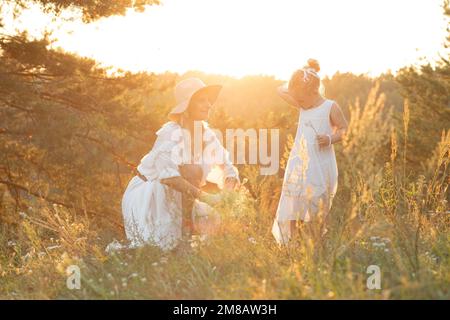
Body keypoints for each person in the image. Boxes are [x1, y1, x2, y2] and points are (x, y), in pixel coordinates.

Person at [121, 78, 239, 250]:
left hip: (181, 195)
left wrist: (227, 194)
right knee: (163, 247)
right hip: (151, 193)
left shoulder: (206, 134)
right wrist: (208, 198)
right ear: (187, 106)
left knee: (213, 223)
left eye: (208, 100)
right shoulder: (170, 133)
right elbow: (170, 178)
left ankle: (186, 234)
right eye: (201, 100)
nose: (208, 105)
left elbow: (228, 167)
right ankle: (181, 236)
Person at [272, 59, 348, 245]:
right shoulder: (302, 104)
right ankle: (291, 245)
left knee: (316, 203)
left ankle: (314, 243)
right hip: (299, 161)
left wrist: (330, 138)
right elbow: (279, 90)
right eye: (296, 99)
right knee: (293, 202)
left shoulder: (330, 106)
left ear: (315, 91)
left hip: (320, 163)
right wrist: (304, 74)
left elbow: (345, 129)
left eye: (300, 99)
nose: (297, 103)